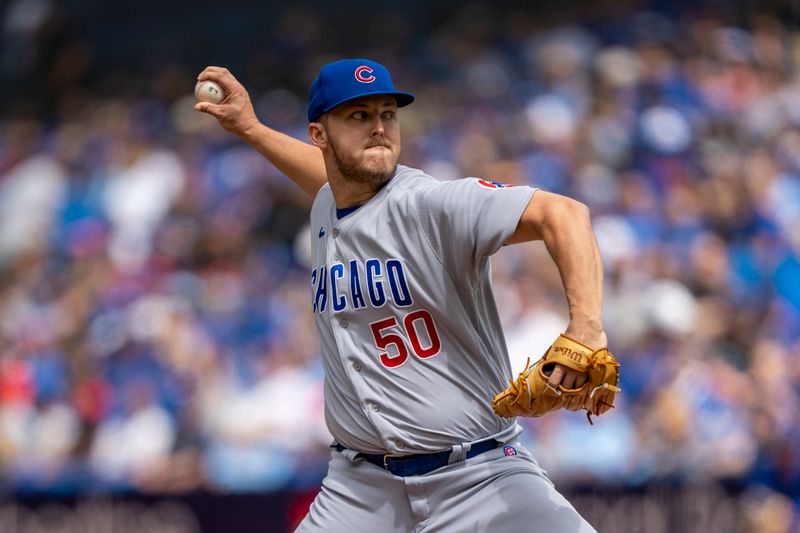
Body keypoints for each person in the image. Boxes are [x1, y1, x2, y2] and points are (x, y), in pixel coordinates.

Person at [195, 58, 603, 532]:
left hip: (479, 477)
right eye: (358, 116)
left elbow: (566, 215)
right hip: (361, 490)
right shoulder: (331, 202)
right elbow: (330, 179)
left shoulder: (432, 204)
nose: (379, 128)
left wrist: (587, 327)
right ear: (319, 135)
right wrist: (250, 128)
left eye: (388, 114)